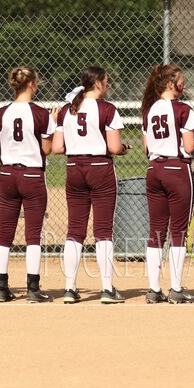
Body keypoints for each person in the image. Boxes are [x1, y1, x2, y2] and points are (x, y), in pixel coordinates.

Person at [53, 66, 127, 304]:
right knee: (103, 231)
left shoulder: (67, 109)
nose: (107, 85)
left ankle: (69, 288)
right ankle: (106, 289)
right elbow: (114, 148)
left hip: (74, 168)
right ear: (97, 84)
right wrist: (124, 149)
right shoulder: (107, 109)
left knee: (75, 231)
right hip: (100, 169)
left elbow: (56, 148)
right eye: (105, 82)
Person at [0, 66, 56, 303]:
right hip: (31, 176)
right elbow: (47, 149)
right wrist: (53, 123)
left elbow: (0, 147)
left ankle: (0, 287)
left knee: (4, 234)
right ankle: (33, 288)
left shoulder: (1, 113)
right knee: (33, 236)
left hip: (7, 175)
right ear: (31, 84)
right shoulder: (41, 113)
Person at [141, 63, 194, 304]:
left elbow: (147, 149)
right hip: (177, 169)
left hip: (154, 170)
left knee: (156, 231)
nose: (183, 84)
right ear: (170, 83)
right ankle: (175, 287)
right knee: (178, 231)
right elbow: (189, 147)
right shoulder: (184, 109)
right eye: (180, 80)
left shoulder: (149, 110)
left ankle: (154, 290)